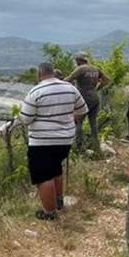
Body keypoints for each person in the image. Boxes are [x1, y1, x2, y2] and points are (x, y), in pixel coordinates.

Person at [19, 62, 88, 220]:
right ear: (53, 72)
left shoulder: (36, 91)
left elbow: (25, 119)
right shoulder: (70, 88)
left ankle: (49, 213)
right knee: (55, 169)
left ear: (39, 74)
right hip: (65, 141)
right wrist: (72, 121)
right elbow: (82, 109)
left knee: (43, 176)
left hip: (42, 142)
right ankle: (58, 201)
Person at [66, 53, 107, 152]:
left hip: (83, 98)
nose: (76, 62)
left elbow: (68, 79)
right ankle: (96, 146)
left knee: (78, 121)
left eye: (76, 60)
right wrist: (97, 89)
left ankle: (79, 147)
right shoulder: (95, 69)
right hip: (95, 98)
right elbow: (106, 80)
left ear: (79, 60)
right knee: (93, 122)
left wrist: (56, 83)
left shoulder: (81, 69)